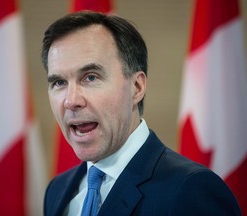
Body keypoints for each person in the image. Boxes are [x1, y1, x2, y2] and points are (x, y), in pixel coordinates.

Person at [41, 11, 241, 216]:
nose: (71, 100)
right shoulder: (56, 191)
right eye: (59, 82)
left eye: (90, 78)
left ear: (137, 87)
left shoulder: (192, 189)